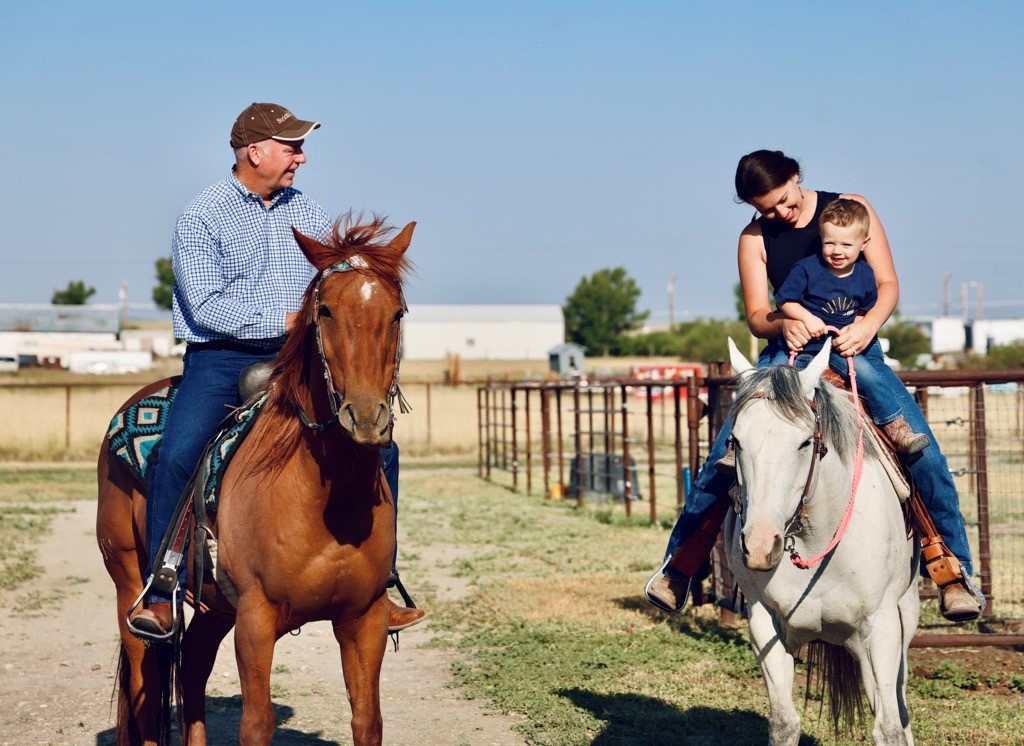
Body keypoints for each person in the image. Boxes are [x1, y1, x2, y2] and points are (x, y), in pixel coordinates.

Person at [644, 149, 983, 622]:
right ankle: (679, 567)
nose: (779, 214)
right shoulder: (754, 238)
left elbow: (887, 283)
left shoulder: (849, 209)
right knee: (726, 453)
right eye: (766, 209)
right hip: (791, 353)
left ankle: (953, 572)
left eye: (783, 201)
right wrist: (782, 323)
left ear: (796, 177)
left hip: (853, 348)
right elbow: (758, 314)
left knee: (920, 447)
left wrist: (868, 327)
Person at [131, 102, 425, 637]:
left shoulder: (308, 212)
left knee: (382, 446)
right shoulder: (202, 215)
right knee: (177, 455)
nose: (302, 159)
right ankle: (163, 585)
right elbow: (205, 307)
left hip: (298, 361)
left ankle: (380, 582)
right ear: (254, 151)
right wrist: (286, 319)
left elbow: (335, 282)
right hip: (222, 360)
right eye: (292, 148)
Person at [774, 197, 930, 454]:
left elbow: (865, 309)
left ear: (864, 244)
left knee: (869, 375)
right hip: (806, 346)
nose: (837, 251)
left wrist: (857, 328)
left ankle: (896, 426)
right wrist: (805, 318)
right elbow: (785, 300)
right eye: (829, 243)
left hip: (840, 347)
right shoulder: (806, 269)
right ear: (821, 239)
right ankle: (739, 446)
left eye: (846, 244)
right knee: (767, 384)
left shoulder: (866, 275)